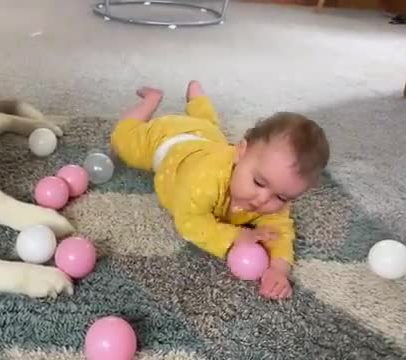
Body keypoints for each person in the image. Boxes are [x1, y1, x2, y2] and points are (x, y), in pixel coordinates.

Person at [110, 81, 330, 300]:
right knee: (123, 141)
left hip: (209, 138)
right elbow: (189, 222)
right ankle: (152, 100)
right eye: (259, 182)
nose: (262, 200)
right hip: (168, 141)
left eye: (281, 196)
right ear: (240, 153)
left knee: (209, 126)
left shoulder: (269, 190)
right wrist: (236, 236)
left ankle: (197, 98)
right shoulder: (204, 180)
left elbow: (280, 231)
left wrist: (278, 269)